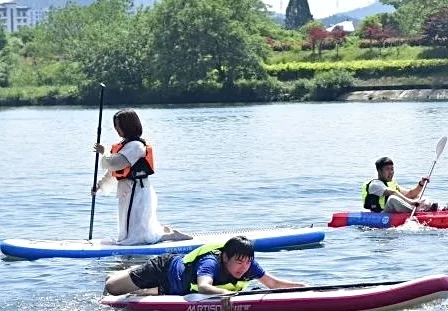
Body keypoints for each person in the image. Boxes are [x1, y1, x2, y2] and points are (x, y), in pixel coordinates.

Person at [92, 108, 190, 245]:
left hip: (137, 190)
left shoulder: (136, 146)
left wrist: (104, 152)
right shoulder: (123, 147)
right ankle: (165, 233)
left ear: (128, 126)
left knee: (136, 235)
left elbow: (116, 163)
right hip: (127, 190)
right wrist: (100, 185)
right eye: (116, 126)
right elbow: (114, 173)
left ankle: (169, 235)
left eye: (119, 125)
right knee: (129, 230)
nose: (117, 129)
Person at [104, 236, 305, 296]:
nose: (244, 267)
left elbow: (273, 283)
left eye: (247, 262)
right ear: (225, 257)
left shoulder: (248, 265)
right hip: (163, 269)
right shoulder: (210, 262)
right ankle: (124, 273)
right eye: (238, 261)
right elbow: (204, 287)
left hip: (174, 288)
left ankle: (143, 289)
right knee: (112, 288)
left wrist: (303, 288)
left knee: (140, 295)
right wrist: (230, 296)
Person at [362, 156, 448, 214]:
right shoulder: (374, 185)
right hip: (381, 215)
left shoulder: (392, 184)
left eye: (392, 169)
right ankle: (422, 211)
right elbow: (393, 193)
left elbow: (410, 193)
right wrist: (411, 202)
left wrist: (421, 184)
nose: (391, 172)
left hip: (397, 211)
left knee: (421, 197)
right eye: (387, 169)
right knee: (392, 198)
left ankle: (442, 209)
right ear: (379, 171)